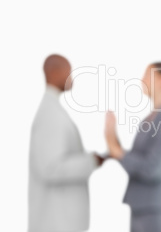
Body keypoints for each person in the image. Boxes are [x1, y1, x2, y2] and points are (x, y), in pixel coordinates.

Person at [28, 54, 105, 232]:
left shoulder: (52, 110)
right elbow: (50, 168)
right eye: (68, 71)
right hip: (55, 224)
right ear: (55, 73)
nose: (72, 77)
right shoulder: (50, 114)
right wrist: (91, 161)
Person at [105, 62, 161, 232]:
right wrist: (112, 139)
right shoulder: (148, 119)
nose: (141, 80)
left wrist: (118, 152)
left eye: (147, 75)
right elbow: (135, 160)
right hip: (139, 209)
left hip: (153, 212)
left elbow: (153, 169)